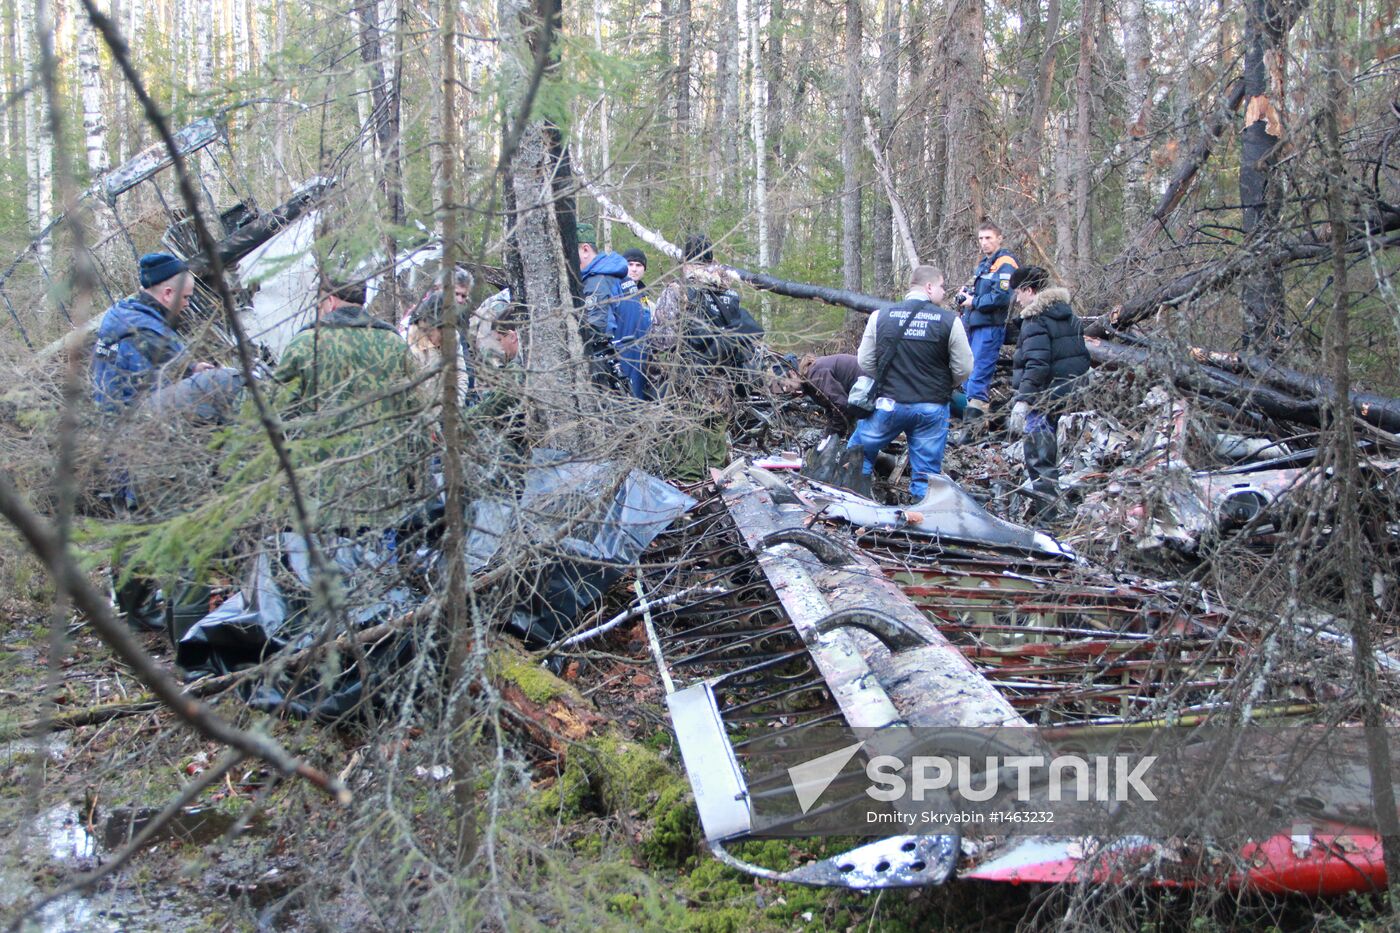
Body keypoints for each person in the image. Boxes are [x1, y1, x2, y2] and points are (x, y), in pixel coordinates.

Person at [275, 273, 423, 531]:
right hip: (384, 491)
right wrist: (416, 481)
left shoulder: (304, 344)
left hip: (322, 494)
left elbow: (275, 415)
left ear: (330, 300)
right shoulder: (394, 345)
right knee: (379, 566)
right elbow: (417, 415)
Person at [846, 265, 974, 501]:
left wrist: (886, 377)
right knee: (925, 474)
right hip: (931, 407)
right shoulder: (949, 321)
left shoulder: (880, 316)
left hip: (889, 403)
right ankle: (919, 524)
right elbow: (964, 368)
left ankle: (853, 503)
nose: (944, 292)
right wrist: (943, 385)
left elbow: (864, 361)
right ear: (928, 287)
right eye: (941, 286)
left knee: (858, 456)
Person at [1006, 265, 1091, 522]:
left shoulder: (1035, 321)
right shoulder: (1067, 315)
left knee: (1040, 461)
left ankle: (1048, 519)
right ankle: (1057, 512)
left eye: (1018, 293)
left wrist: (1023, 400)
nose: (1017, 299)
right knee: (1054, 460)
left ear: (1029, 290)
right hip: (1067, 397)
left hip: (1041, 401)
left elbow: (1036, 364)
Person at [92, 252, 218, 412]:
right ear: (167, 293)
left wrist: (193, 368)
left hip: (112, 415)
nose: (187, 304)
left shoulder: (122, 315)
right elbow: (173, 377)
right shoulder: (149, 332)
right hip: (136, 419)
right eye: (186, 297)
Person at [955, 221, 1019, 427]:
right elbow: (981, 292)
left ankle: (973, 432)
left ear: (999, 238)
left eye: (988, 238)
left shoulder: (1006, 262)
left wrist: (975, 302)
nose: (984, 242)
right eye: (981, 238)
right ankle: (977, 424)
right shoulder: (985, 264)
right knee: (966, 375)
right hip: (973, 324)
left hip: (990, 327)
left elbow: (1002, 296)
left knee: (977, 377)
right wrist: (966, 296)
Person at [576, 222, 629, 388]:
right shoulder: (615, 275)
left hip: (612, 369)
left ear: (585, 250)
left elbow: (597, 329)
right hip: (631, 363)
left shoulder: (598, 281)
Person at [614, 247, 653, 399]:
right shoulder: (614, 290)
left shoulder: (647, 300)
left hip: (642, 361)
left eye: (638, 265)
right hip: (621, 357)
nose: (634, 269)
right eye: (630, 264)